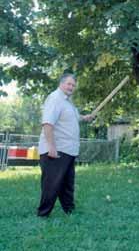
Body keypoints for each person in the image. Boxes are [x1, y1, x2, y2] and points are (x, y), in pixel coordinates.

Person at [37, 73, 94, 217]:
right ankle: (43, 214)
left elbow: (70, 119)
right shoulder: (55, 99)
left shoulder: (68, 102)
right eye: (69, 84)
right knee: (52, 183)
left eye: (73, 85)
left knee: (67, 183)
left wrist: (84, 117)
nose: (71, 87)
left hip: (68, 150)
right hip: (56, 149)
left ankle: (69, 210)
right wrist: (51, 147)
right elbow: (48, 123)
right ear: (61, 83)